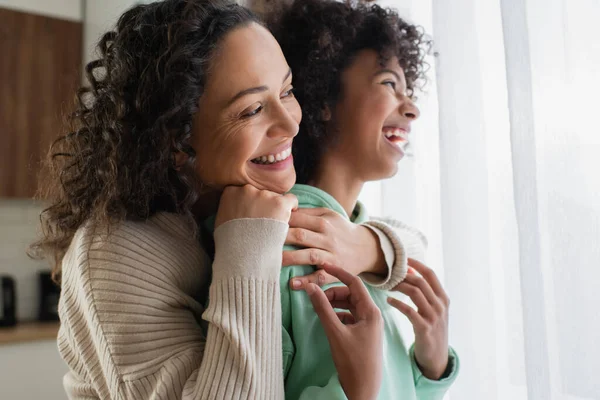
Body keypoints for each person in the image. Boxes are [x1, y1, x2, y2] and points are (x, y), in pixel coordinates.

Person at [30, 0, 408, 398]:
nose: (290, 122)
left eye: (288, 90)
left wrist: (370, 247)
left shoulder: (251, 195)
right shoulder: (116, 255)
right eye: (252, 110)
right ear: (176, 138)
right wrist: (246, 242)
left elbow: (412, 243)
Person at [264, 0, 461, 398]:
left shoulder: (364, 251)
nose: (412, 108)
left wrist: (431, 365)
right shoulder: (287, 244)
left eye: (409, 90)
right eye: (389, 83)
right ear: (321, 100)